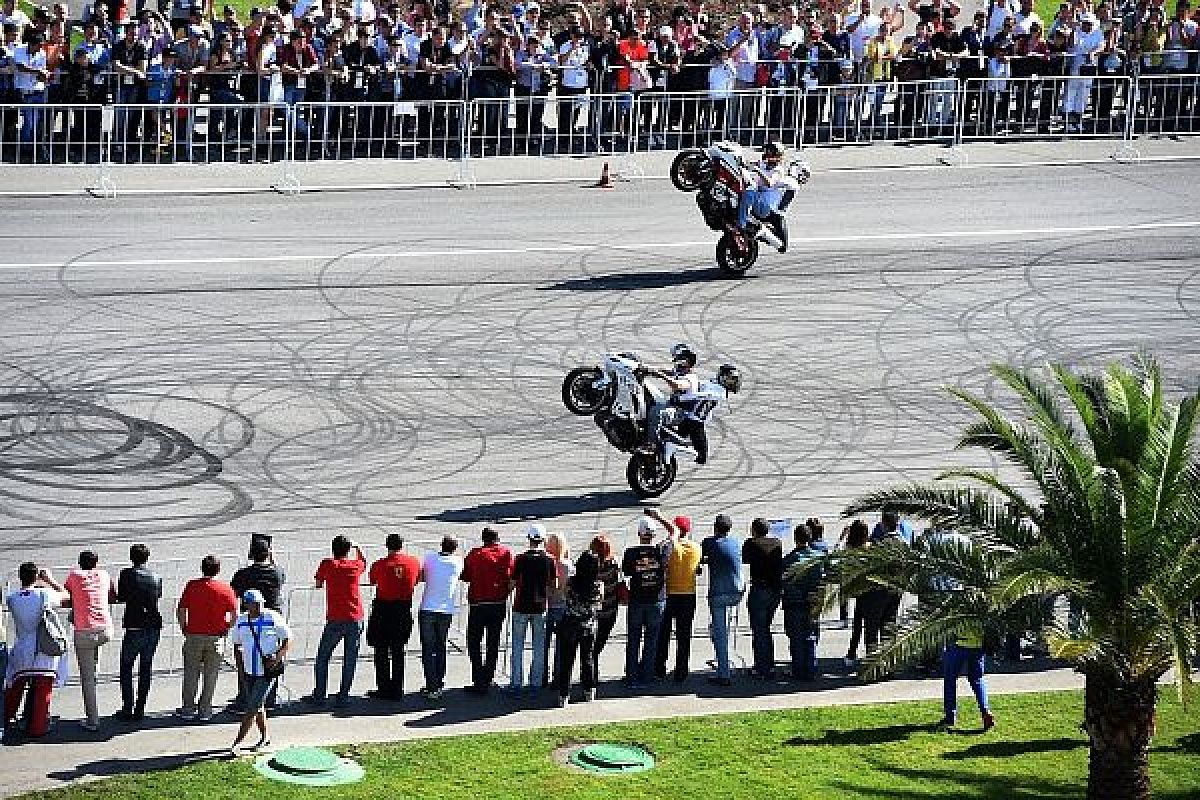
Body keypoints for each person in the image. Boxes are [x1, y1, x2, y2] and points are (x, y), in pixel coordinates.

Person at [3, 563, 69, 738]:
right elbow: (66, 596)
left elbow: (24, 597)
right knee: (43, 690)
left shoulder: (12, 598)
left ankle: (5, 718)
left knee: (14, 687)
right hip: (43, 649)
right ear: (36, 577)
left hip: (22, 648)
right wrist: (49, 579)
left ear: (20, 576)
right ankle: (38, 727)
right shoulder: (44, 594)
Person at [230, 589, 292, 756]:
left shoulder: (272, 617)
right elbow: (236, 645)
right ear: (247, 605)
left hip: (267, 672)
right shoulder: (241, 621)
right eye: (254, 604)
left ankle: (238, 742)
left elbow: (288, 639)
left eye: (260, 604)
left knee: (252, 706)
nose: (258, 607)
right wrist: (240, 670)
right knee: (258, 706)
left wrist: (277, 658)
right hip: (250, 671)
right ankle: (265, 737)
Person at [176, 555, 238, 721]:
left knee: (191, 674)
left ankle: (188, 709)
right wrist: (226, 627)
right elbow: (234, 614)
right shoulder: (226, 589)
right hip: (216, 637)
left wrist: (184, 628)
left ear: (202, 568)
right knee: (211, 676)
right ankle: (205, 710)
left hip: (194, 635)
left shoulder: (192, 586)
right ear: (218, 570)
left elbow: (181, 609)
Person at [307, 535, 367, 708]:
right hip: (355, 617)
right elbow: (363, 560)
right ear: (348, 551)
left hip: (335, 618)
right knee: (350, 659)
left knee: (323, 657)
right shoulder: (355, 566)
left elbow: (318, 582)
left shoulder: (328, 564)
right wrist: (358, 546)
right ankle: (343, 695)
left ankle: (319, 695)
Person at [230, 535, 286, 711]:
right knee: (271, 658)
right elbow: (280, 574)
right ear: (268, 553)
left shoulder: (244, 574)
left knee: (248, 659)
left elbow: (234, 591)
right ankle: (269, 698)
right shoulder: (276, 572)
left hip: (250, 621)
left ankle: (245, 699)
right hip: (272, 621)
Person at [63, 551, 114, 733]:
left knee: (86, 680)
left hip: (85, 632)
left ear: (79, 563)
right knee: (93, 665)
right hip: (105, 630)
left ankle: (92, 720)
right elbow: (111, 592)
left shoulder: (75, 575)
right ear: (96, 563)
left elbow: (66, 590)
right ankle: (95, 676)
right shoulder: (104, 574)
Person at [366, 533, 420, 700]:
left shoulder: (380, 564)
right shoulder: (413, 562)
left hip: (383, 610)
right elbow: (417, 579)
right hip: (403, 609)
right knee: (398, 651)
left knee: (381, 651)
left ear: (387, 546)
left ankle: (384, 687)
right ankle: (397, 688)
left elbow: (373, 581)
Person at [461, 527, 514, 694]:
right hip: (498, 602)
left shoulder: (475, 554)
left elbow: (465, 576)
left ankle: (479, 678)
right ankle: (488, 677)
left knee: (474, 642)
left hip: (478, 604)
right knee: (493, 642)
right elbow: (512, 575)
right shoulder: (506, 553)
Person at [114, 543, 162, 722]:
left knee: (126, 667)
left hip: (135, 625)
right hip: (153, 626)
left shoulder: (126, 574)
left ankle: (128, 707)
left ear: (131, 557)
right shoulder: (156, 576)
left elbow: (122, 596)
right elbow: (157, 596)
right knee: (146, 667)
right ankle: (140, 708)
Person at [652, 510, 701, 683]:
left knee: (663, 634)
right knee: (684, 635)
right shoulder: (696, 548)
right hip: (688, 596)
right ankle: (681, 671)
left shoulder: (669, 547)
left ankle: (659, 667)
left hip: (670, 595)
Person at [621, 513, 669, 688]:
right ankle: (647, 676)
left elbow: (625, 572)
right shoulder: (662, 550)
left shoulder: (630, 552)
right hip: (657, 601)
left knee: (633, 639)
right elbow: (674, 533)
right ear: (654, 535)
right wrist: (658, 517)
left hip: (637, 600)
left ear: (639, 534)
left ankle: (632, 678)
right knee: (651, 640)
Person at [506, 523, 554, 695]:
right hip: (540, 607)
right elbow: (553, 584)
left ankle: (516, 683)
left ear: (529, 539)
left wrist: (507, 589)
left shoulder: (521, 558)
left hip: (521, 606)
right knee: (539, 647)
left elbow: (512, 583)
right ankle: (535, 684)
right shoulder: (549, 560)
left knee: (517, 646)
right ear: (543, 540)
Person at [554, 543, 604, 706]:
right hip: (588, 626)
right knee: (587, 659)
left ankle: (563, 695)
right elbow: (599, 604)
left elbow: (564, 596)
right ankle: (589, 691)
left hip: (570, 624)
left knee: (567, 661)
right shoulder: (598, 586)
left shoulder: (571, 582)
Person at [417, 536, 463, 700]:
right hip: (445, 610)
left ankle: (432, 685)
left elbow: (422, 576)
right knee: (440, 645)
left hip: (428, 607)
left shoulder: (430, 558)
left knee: (428, 648)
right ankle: (438, 681)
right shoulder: (458, 562)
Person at [701, 513, 744, 685]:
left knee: (720, 633)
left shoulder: (709, 543)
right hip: (736, 591)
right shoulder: (736, 542)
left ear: (715, 528)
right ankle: (725, 659)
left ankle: (723, 673)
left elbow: (702, 558)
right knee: (724, 628)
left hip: (718, 593)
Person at [781, 523, 824, 681]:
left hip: (794, 604)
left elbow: (783, 582)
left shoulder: (788, 560)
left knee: (796, 638)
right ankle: (811, 668)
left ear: (795, 539)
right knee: (810, 636)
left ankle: (798, 669)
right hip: (812, 602)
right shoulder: (818, 558)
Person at [742, 518, 783, 679]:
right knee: (766, 628)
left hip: (760, 589)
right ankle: (769, 664)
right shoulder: (777, 543)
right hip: (774, 590)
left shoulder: (751, 544)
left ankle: (762, 667)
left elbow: (745, 559)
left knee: (759, 631)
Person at [736, 141, 792, 247]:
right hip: (758, 202)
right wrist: (740, 161)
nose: (766, 153)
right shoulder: (763, 164)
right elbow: (749, 164)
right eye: (767, 151)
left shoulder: (778, 170)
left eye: (770, 152)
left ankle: (741, 225)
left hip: (765, 207)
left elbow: (770, 183)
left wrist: (757, 170)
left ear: (777, 156)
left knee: (749, 191)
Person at [542, 531, 572, 687]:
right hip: (562, 606)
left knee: (542, 645)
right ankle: (558, 676)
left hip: (547, 606)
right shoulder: (567, 565)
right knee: (561, 646)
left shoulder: (546, 562)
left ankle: (541, 676)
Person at [841, 520, 872, 665]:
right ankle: (864, 653)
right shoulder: (869, 548)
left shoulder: (849, 548)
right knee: (869, 624)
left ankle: (852, 653)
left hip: (856, 588)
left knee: (858, 624)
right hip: (868, 588)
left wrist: (843, 536)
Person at [590, 534, 621, 673]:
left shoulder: (590, 564)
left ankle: (591, 673)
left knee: (589, 647)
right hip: (609, 611)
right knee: (599, 645)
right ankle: (593, 671)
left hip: (592, 612)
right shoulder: (614, 564)